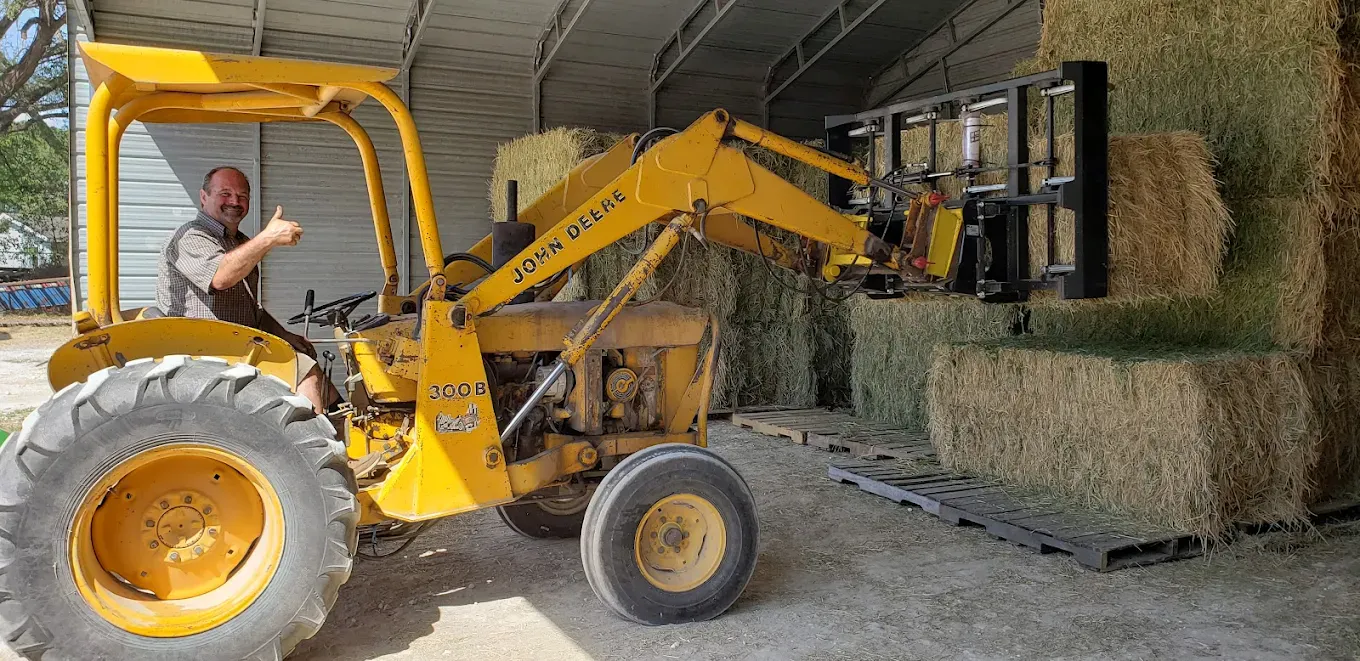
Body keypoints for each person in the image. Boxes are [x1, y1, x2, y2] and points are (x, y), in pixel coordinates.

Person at [156, 166, 336, 414]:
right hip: (203, 353)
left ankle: (345, 425)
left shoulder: (239, 242)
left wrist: (285, 335)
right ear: (204, 197)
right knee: (305, 373)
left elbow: (249, 308)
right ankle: (316, 436)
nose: (234, 201)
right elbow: (220, 277)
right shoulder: (190, 236)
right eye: (225, 193)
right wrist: (268, 238)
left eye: (242, 196)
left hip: (234, 345)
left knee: (317, 374)